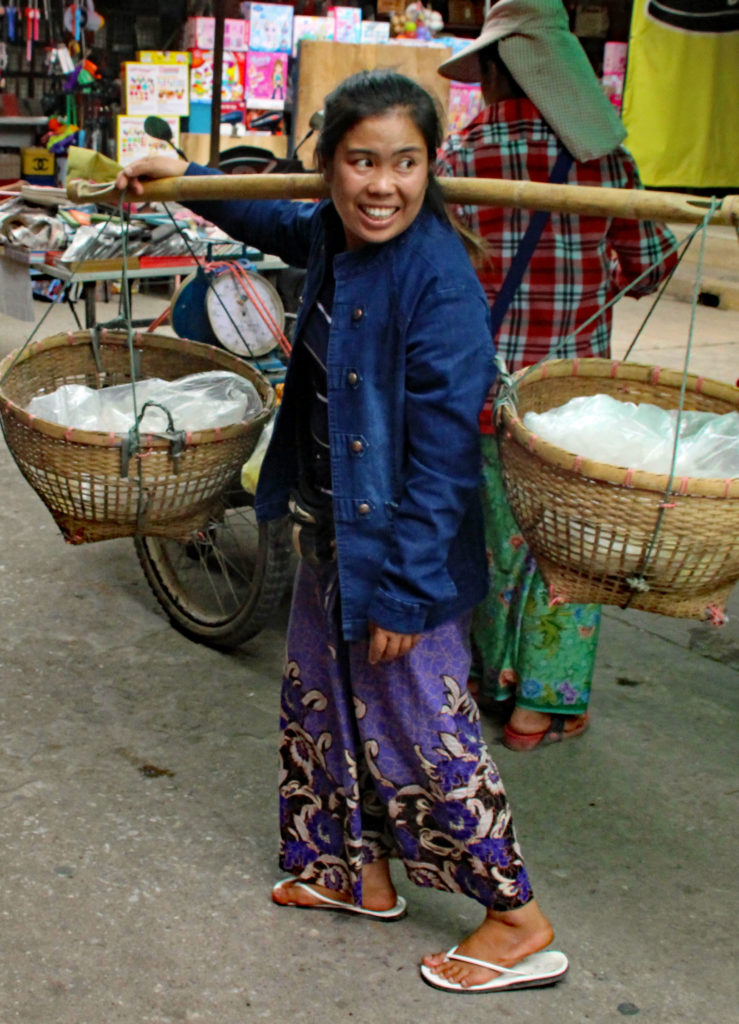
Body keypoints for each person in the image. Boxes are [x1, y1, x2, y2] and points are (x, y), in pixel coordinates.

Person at [115, 69, 568, 994]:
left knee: (420, 733)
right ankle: (356, 872)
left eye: (405, 163)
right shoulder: (329, 226)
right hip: (329, 528)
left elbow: (444, 460)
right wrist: (178, 172)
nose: (382, 185)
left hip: (401, 559)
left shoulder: (437, 280)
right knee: (323, 707)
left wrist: (403, 592)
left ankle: (516, 919)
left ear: (430, 166)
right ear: (328, 168)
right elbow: (267, 217)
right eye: (361, 161)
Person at [436, 0, 678, 751]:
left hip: (480, 395)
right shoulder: (602, 161)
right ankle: (544, 703)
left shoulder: (457, 159)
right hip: (573, 404)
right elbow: (651, 268)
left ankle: (490, 682)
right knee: (568, 550)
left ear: (494, 76)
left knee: (492, 544)